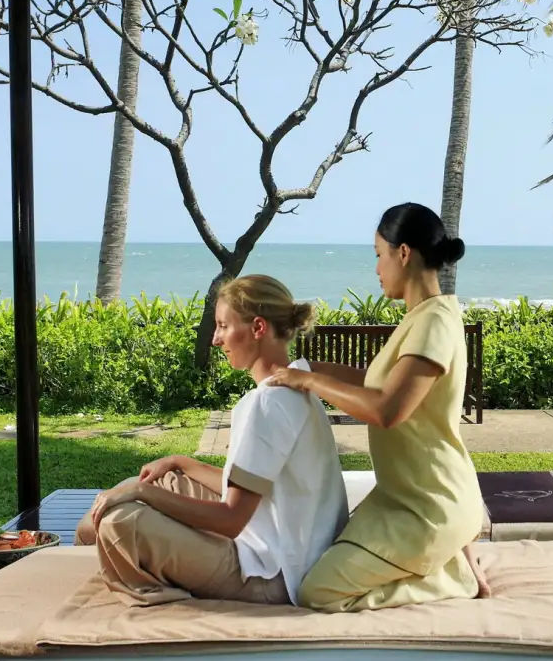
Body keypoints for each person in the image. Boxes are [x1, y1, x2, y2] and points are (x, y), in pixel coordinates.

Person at [75, 275, 349, 608]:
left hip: (269, 575)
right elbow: (255, 490)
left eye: (223, 326)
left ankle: (91, 539)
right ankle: (89, 534)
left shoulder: (267, 404)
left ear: (258, 328)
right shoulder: (297, 384)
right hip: (285, 549)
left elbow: (231, 520)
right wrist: (179, 462)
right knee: (165, 479)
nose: (216, 339)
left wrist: (142, 493)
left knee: (120, 522)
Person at [268, 202, 488, 613]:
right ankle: (445, 560)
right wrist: (308, 367)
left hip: (427, 508)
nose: (376, 269)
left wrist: (310, 382)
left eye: (378, 255)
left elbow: (388, 409)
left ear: (403, 253)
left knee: (318, 591)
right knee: (321, 560)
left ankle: (450, 579)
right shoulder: (423, 317)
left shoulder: (434, 322)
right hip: (400, 500)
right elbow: (375, 383)